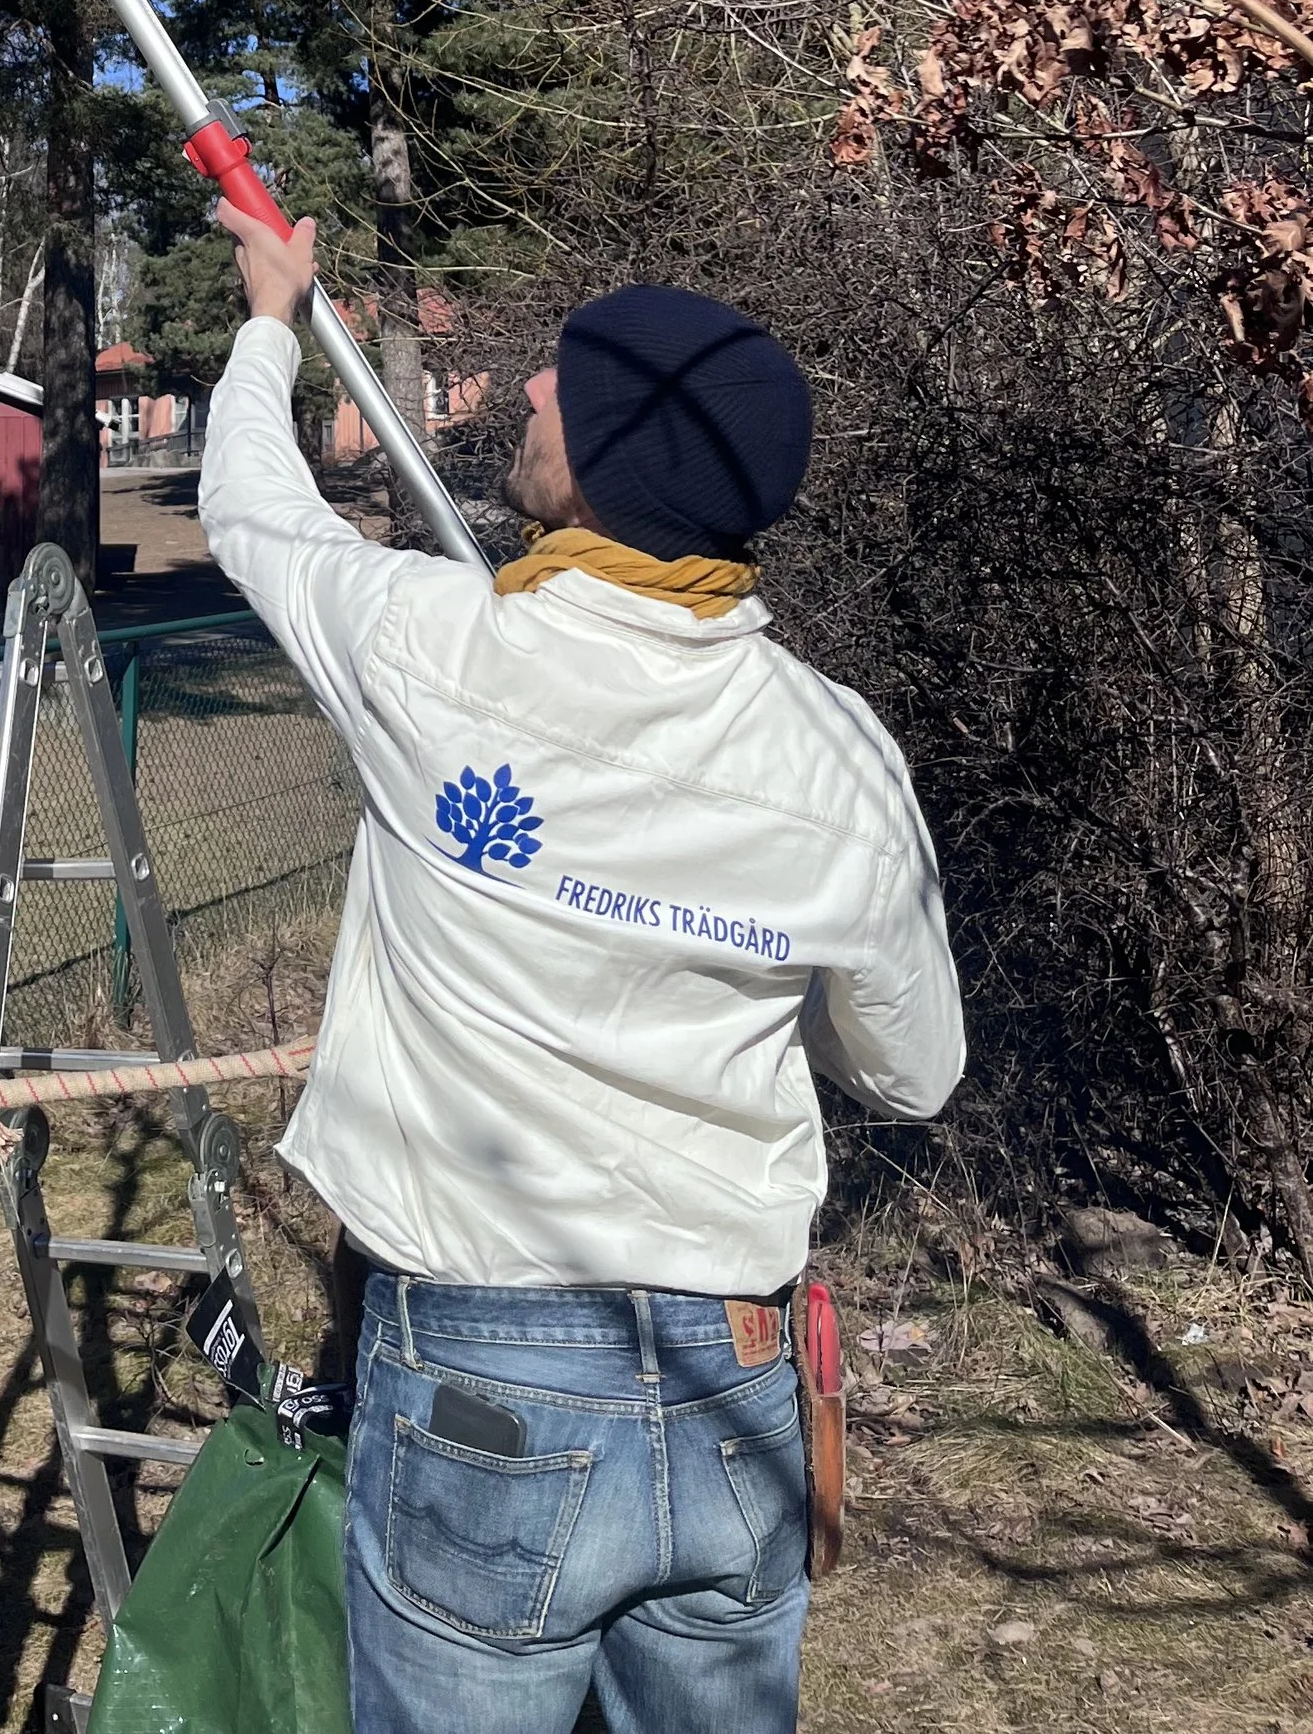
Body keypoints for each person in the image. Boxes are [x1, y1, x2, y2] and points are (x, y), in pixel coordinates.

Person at [197, 204, 963, 1734]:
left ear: (620, 454)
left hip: (484, 1378)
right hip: (737, 1380)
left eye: (566, 380)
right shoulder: (843, 760)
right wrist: (744, 963)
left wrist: (272, 318)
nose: (535, 390)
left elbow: (254, 512)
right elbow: (915, 1070)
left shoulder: (432, 650)